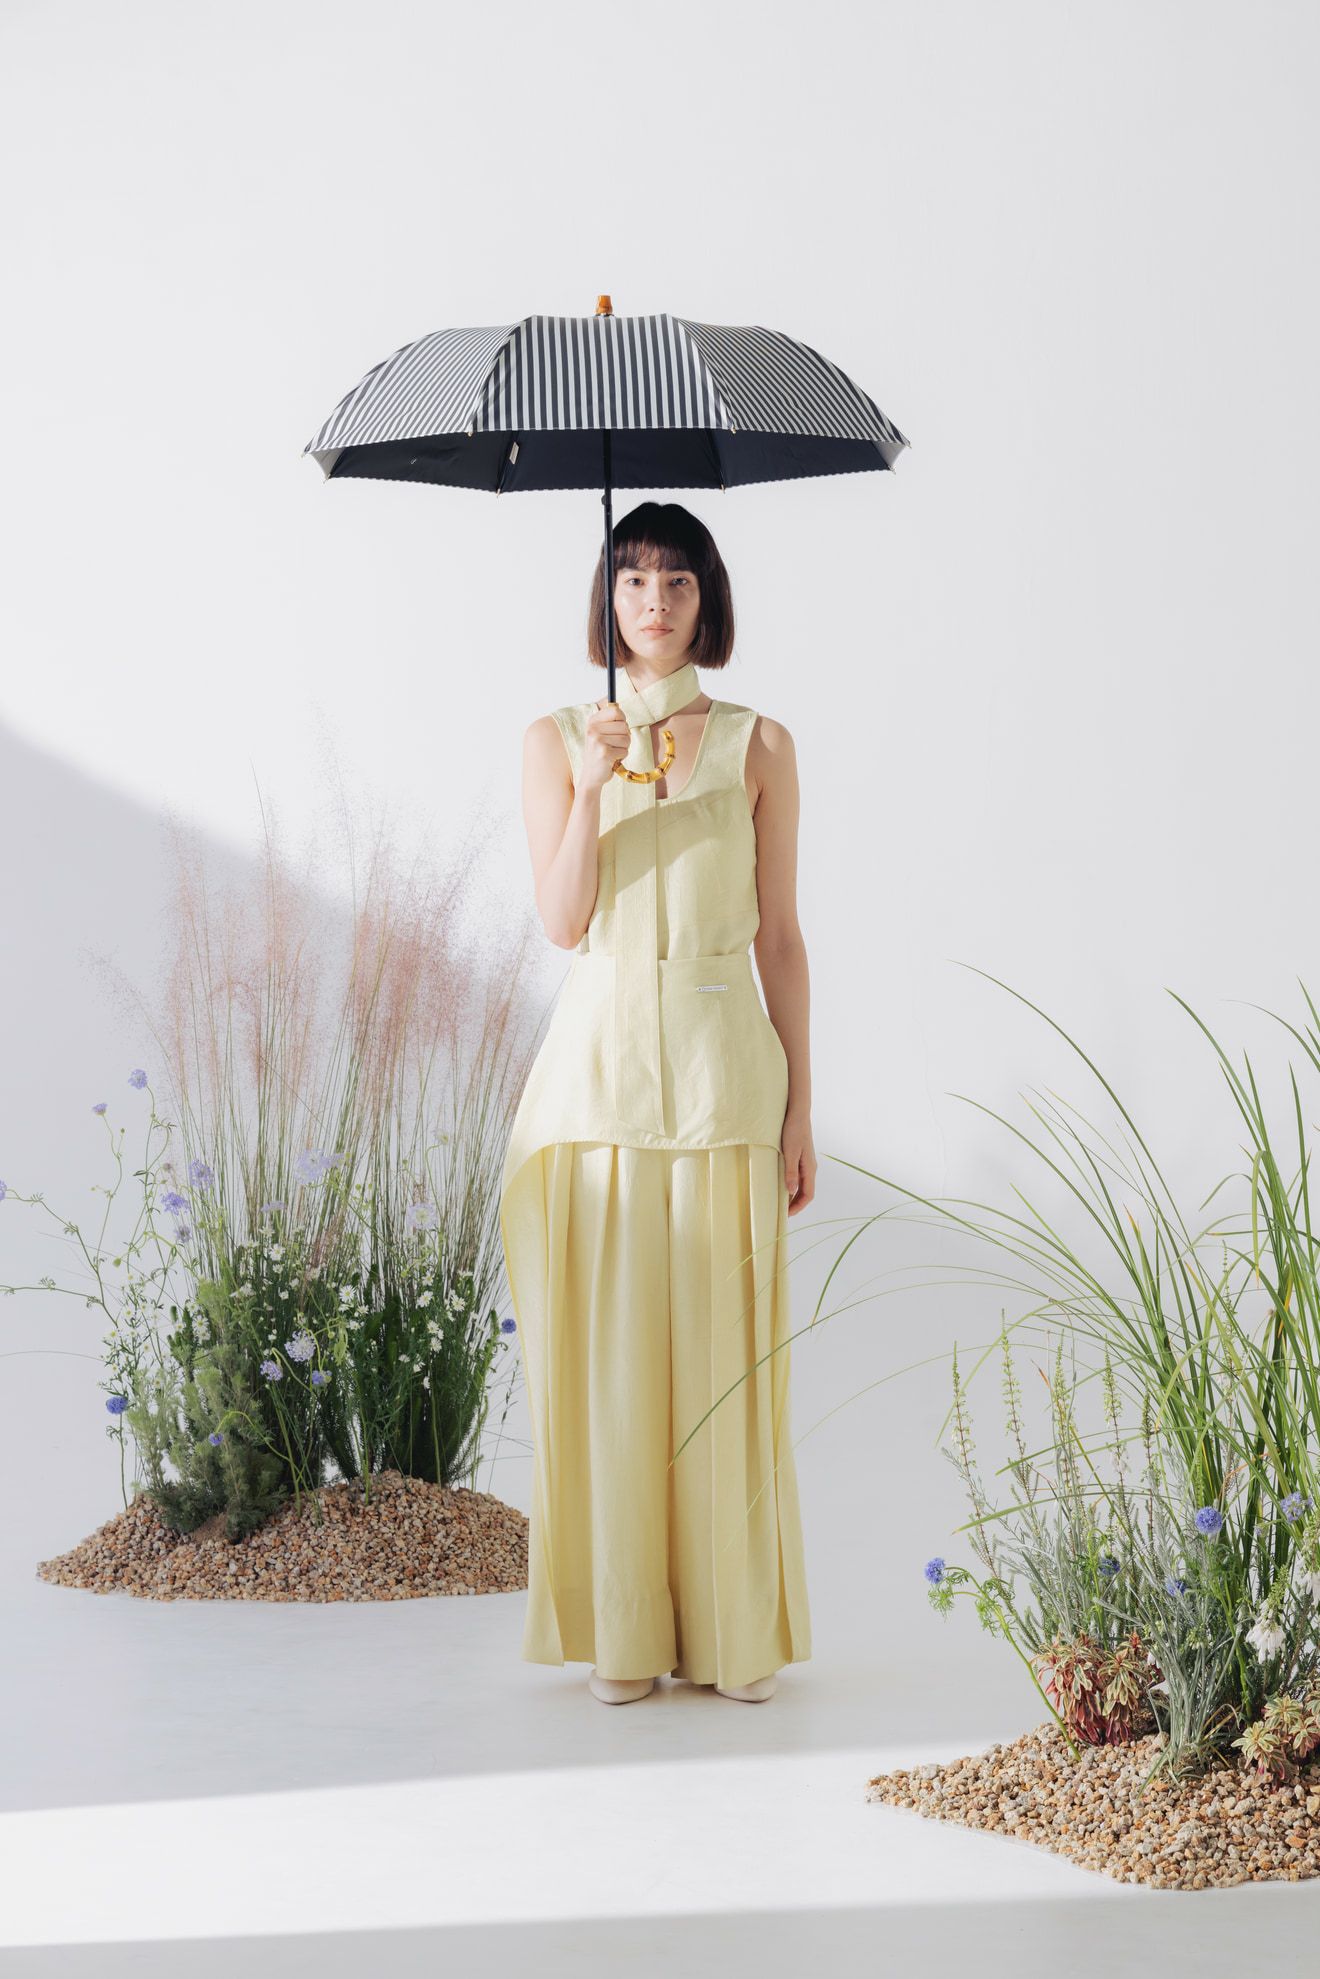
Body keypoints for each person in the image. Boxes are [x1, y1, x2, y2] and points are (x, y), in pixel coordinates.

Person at [499, 500, 814, 1705]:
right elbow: (562, 920)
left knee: (727, 1359)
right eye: (634, 579)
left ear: (707, 597)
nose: (656, 602)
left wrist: (800, 1108)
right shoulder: (555, 739)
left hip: (727, 1069)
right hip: (598, 1078)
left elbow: (780, 938)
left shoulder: (760, 744)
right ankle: (624, 1632)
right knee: (619, 1366)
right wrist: (591, 784)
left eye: (678, 580)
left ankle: (734, 1632)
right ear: (609, 597)